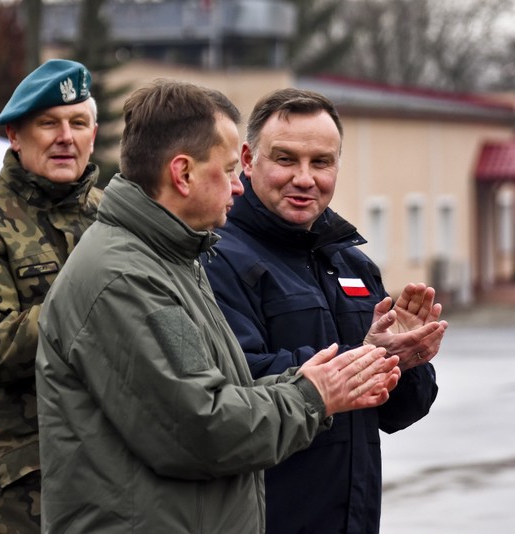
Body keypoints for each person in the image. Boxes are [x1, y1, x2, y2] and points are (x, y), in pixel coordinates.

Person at [35, 79, 403, 532]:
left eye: (322, 161)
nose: (238, 186)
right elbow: (201, 430)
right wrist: (314, 394)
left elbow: (224, 390)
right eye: (230, 170)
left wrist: (338, 372)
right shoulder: (126, 277)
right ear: (183, 173)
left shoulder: (171, 259)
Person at [202, 87, 447, 533]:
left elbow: (398, 414)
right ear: (248, 159)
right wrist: (365, 357)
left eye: (321, 162)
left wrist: (405, 360)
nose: (304, 178)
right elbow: (233, 383)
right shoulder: (215, 257)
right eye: (286, 159)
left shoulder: (350, 262)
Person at [0, 58, 102, 532]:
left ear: (94, 132)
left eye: (78, 123)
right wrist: (99, 309)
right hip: (25, 485)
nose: (65, 137)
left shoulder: (111, 214)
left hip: (112, 469)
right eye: (48, 124)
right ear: (15, 134)